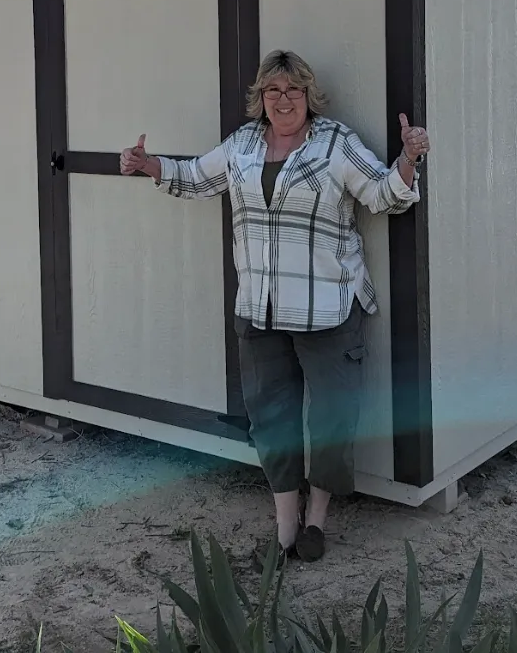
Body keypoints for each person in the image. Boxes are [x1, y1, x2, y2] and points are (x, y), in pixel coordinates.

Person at [120, 50, 430, 564]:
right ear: (260, 98)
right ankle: (286, 524)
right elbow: (198, 177)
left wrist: (409, 159)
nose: (283, 100)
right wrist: (149, 165)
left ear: (309, 95)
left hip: (327, 308)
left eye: (293, 90)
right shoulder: (243, 145)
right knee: (272, 420)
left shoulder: (335, 142)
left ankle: (317, 521)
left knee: (331, 420)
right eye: (273, 91)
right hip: (260, 311)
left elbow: (383, 196)